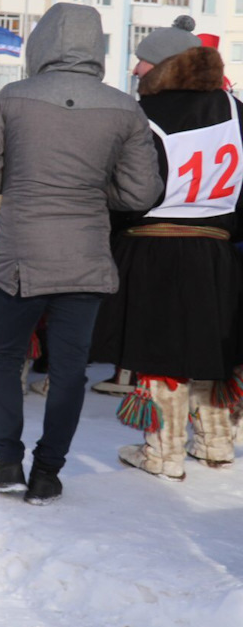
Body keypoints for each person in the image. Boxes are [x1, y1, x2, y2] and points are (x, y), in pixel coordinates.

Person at [0, 4, 161, 504]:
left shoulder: (13, 98)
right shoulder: (124, 107)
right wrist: (94, 191)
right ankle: (48, 471)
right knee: (69, 370)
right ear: (98, 46)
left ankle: (7, 460)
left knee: (7, 359)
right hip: (86, 257)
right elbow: (140, 194)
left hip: (22, 257)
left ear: (41, 43)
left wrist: (23, 180)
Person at [92, 38, 243, 478]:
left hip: (152, 243)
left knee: (158, 347)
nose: (136, 69)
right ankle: (216, 443)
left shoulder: (143, 117)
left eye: (142, 61)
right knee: (212, 343)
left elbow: (128, 192)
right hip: (217, 246)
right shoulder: (236, 110)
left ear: (164, 66)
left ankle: (163, 451)